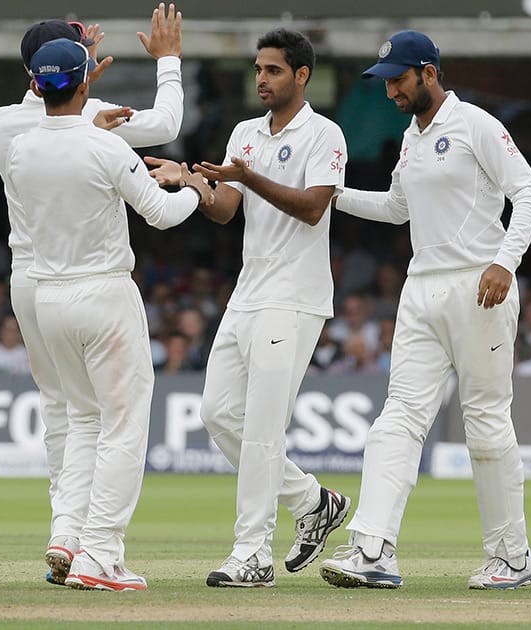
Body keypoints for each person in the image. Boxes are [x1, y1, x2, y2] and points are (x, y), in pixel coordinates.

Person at [317, 30, 531, 590]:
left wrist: (504, 262)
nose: (390, 90)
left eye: (399, 79)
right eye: (386, 81)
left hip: (479, 286)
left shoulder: (477, 125)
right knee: (398, 418)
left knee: (486, 424)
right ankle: (373, 552)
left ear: (429, 73)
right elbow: (397, 208)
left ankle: (512, 558)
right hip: (421, 289)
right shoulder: (412, 136)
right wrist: (333, 194)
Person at [0, 3, 185, 586]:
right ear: (85, 78)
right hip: (99, 290)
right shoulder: (103, 132)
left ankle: (66, 532)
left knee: (74, 415)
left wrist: (75, 80)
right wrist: (194, 186)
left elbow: (54, 123)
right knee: (122, 423)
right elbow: (167, 138)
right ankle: (99, 553)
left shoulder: (9, 135)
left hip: (38, 287)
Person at [146, 28, 352, 588]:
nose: (261, 79)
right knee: (217, 413)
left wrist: (247, 176)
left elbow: (313, 209)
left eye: (273, 70)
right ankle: (312, 500)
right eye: (258, 70)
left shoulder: (325, 135)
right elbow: (225, 209)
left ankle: (252, 554)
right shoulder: (244, 132)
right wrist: (191, 182)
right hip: (249, 292)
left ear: (301, 75)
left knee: (264, 427)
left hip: (295, 298)